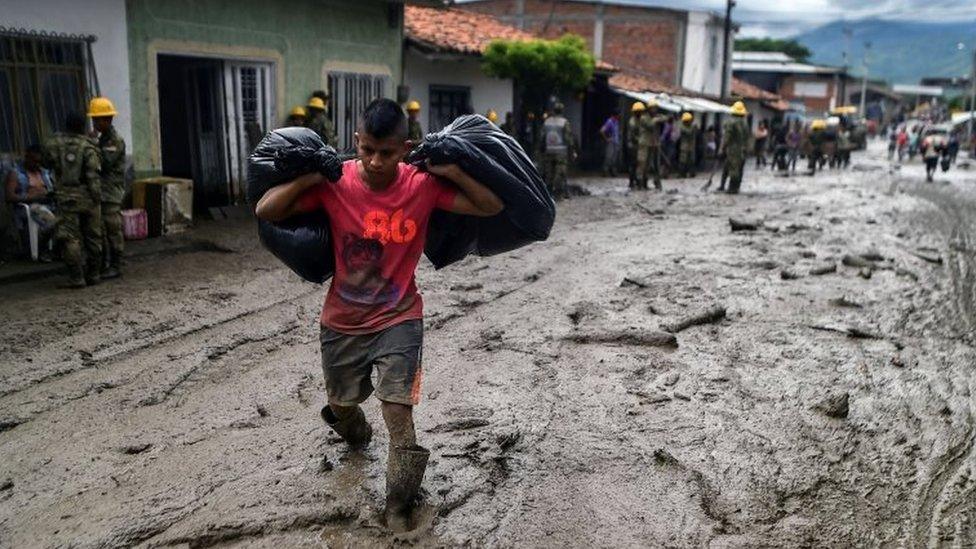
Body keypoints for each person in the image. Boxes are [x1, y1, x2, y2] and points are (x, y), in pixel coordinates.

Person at [254, 98, 503, 533]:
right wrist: (311, 176)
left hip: (400, 318)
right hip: (342, 321)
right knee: (342, 403)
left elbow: (489, 206)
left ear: (404, 148)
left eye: (386, 153)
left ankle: (398, 505)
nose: (375, 161)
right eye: (367, 149)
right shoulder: (337, 182)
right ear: (356, 142)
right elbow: (266, 210)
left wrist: (453, 171)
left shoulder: (422, 185)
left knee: (398, 411)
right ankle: (354, 431)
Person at [43, 112, 102, 288]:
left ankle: (77, 277)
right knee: (93, 237)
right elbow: (93, 175)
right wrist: (96, 197)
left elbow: (47, 163)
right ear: (83, 126)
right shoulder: (88, 146)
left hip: (66, 197)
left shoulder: (53, 143)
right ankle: (94, 274)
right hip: (88, 197)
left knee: (70, 238)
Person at [88, 97, 126, 279]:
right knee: (100, 230)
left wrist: (92, 145)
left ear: (108, 119)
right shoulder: (103, 140)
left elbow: (104, 162)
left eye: (98, 120)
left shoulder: (114, 141)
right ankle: (105, 264)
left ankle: (116, 265)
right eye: (94, 119)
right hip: (100, 191)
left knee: (113, 229)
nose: (95, 123)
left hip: (111, 192)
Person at [4, 144, 57, 261]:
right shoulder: (16, 173)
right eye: (34, 161)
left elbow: (53, 189)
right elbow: (9, 197)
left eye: (39, 162)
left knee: (69, 217)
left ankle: (58, 250)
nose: (37, 164)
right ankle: (41, 249)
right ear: (27, 158)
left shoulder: (44, 172)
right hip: (30, 207)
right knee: (52, 222)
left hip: (48, 204)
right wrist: (30, 197)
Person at [541, 102, 576, 199]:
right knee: (560, 173)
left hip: (549, 152)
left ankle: (548, 194)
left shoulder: (547, 121)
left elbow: (542, 138)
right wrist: (572, 151)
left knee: (549, 174)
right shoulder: (564, 122)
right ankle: (558, 194)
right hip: (561, 153)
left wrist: (541, 150)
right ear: (562, 111)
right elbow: (568, 139)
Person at [719, 101, 750, 194]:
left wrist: (722, 148)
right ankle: (735, 187)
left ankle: (731, 188)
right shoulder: (745, 124)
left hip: (733, 150)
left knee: (733, 168)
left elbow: (727, 137)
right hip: (742, 150)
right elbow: (747, 137)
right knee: (737, 168)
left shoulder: (731, 122)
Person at [638, 100, 666, 191]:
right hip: (645, 143)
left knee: (654, 164)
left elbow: (664, 118)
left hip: (654, 143)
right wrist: (657, 119)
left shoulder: (656, 117)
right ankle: (641, 183)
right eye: (653, 108)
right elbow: (650, 125)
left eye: (656, 108)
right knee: (643, 164)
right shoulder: (644, 118)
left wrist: (660, 118)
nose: (655, 110)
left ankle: (655, 182)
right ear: (649, 109)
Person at [626, 102, 645, 189]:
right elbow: (633, 136)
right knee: (633, 164)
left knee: (638, 164)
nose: (641, 113)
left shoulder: (640, 120)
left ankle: (636, 181)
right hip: (633, 145)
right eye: (639, 111)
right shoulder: (633, 122)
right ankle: (632, 181)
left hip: (638, 145)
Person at [599, 113, 620, 177]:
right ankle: (605, 171)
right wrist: (607, 139)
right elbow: (602, 131)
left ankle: (613, 172)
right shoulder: (609, 122)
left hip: (616, 142)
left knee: (614, 158)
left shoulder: (616, 122)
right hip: (611, 142)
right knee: (608, 157)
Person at [678, 112, 696, 177]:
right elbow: (689, 132)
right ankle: (682, 173)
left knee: (691, 161)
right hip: (684, 147)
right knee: (683, 161)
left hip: (691, 146)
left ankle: (692, 173)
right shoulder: (682, 127)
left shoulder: (692, 126)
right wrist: (693, 127)